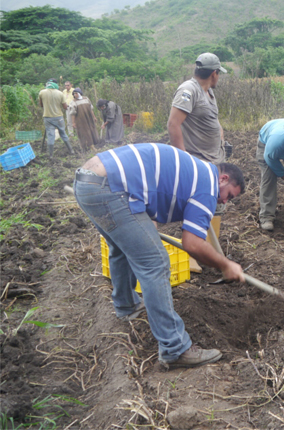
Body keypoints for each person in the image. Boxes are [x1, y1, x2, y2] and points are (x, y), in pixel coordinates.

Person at [73, 143, 246, 369]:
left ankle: (127, 306)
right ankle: (175, 349)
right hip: (111, 189)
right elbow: (192, 244)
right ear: (223, 179)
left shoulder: (197, 170)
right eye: (229, 196)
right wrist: (226, 265)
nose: (224, 202)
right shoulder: (208, 188)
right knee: (156, 263)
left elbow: (153, 190)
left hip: (88, 182)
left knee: (121, 248)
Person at [167, 53, 232, 165]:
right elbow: (173, 124)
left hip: (215, 159)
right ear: (214, 74)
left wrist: (221, 143)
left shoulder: (208, 92)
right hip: (199, 162)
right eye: (219, 73)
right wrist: (184, 159)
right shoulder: (188, 90)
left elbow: (213, 118)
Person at [39, 78, 74, 158]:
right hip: (59, 117)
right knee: (63, 134)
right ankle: (71, 150)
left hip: (47, 117)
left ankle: (51, 155)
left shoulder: (42, 92)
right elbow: (65, 107)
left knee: (50, 136)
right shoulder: (60, 93)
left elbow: (41, 105)